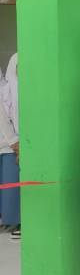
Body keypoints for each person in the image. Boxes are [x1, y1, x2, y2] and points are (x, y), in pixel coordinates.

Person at [0, 53, 20, 238]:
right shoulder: (7, 90)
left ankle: (18, 221)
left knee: (15, 184)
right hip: (12, 143)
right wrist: (14, 142)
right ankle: (9, 220)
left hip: (17, 143)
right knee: (9, 184)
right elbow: (4, 118)